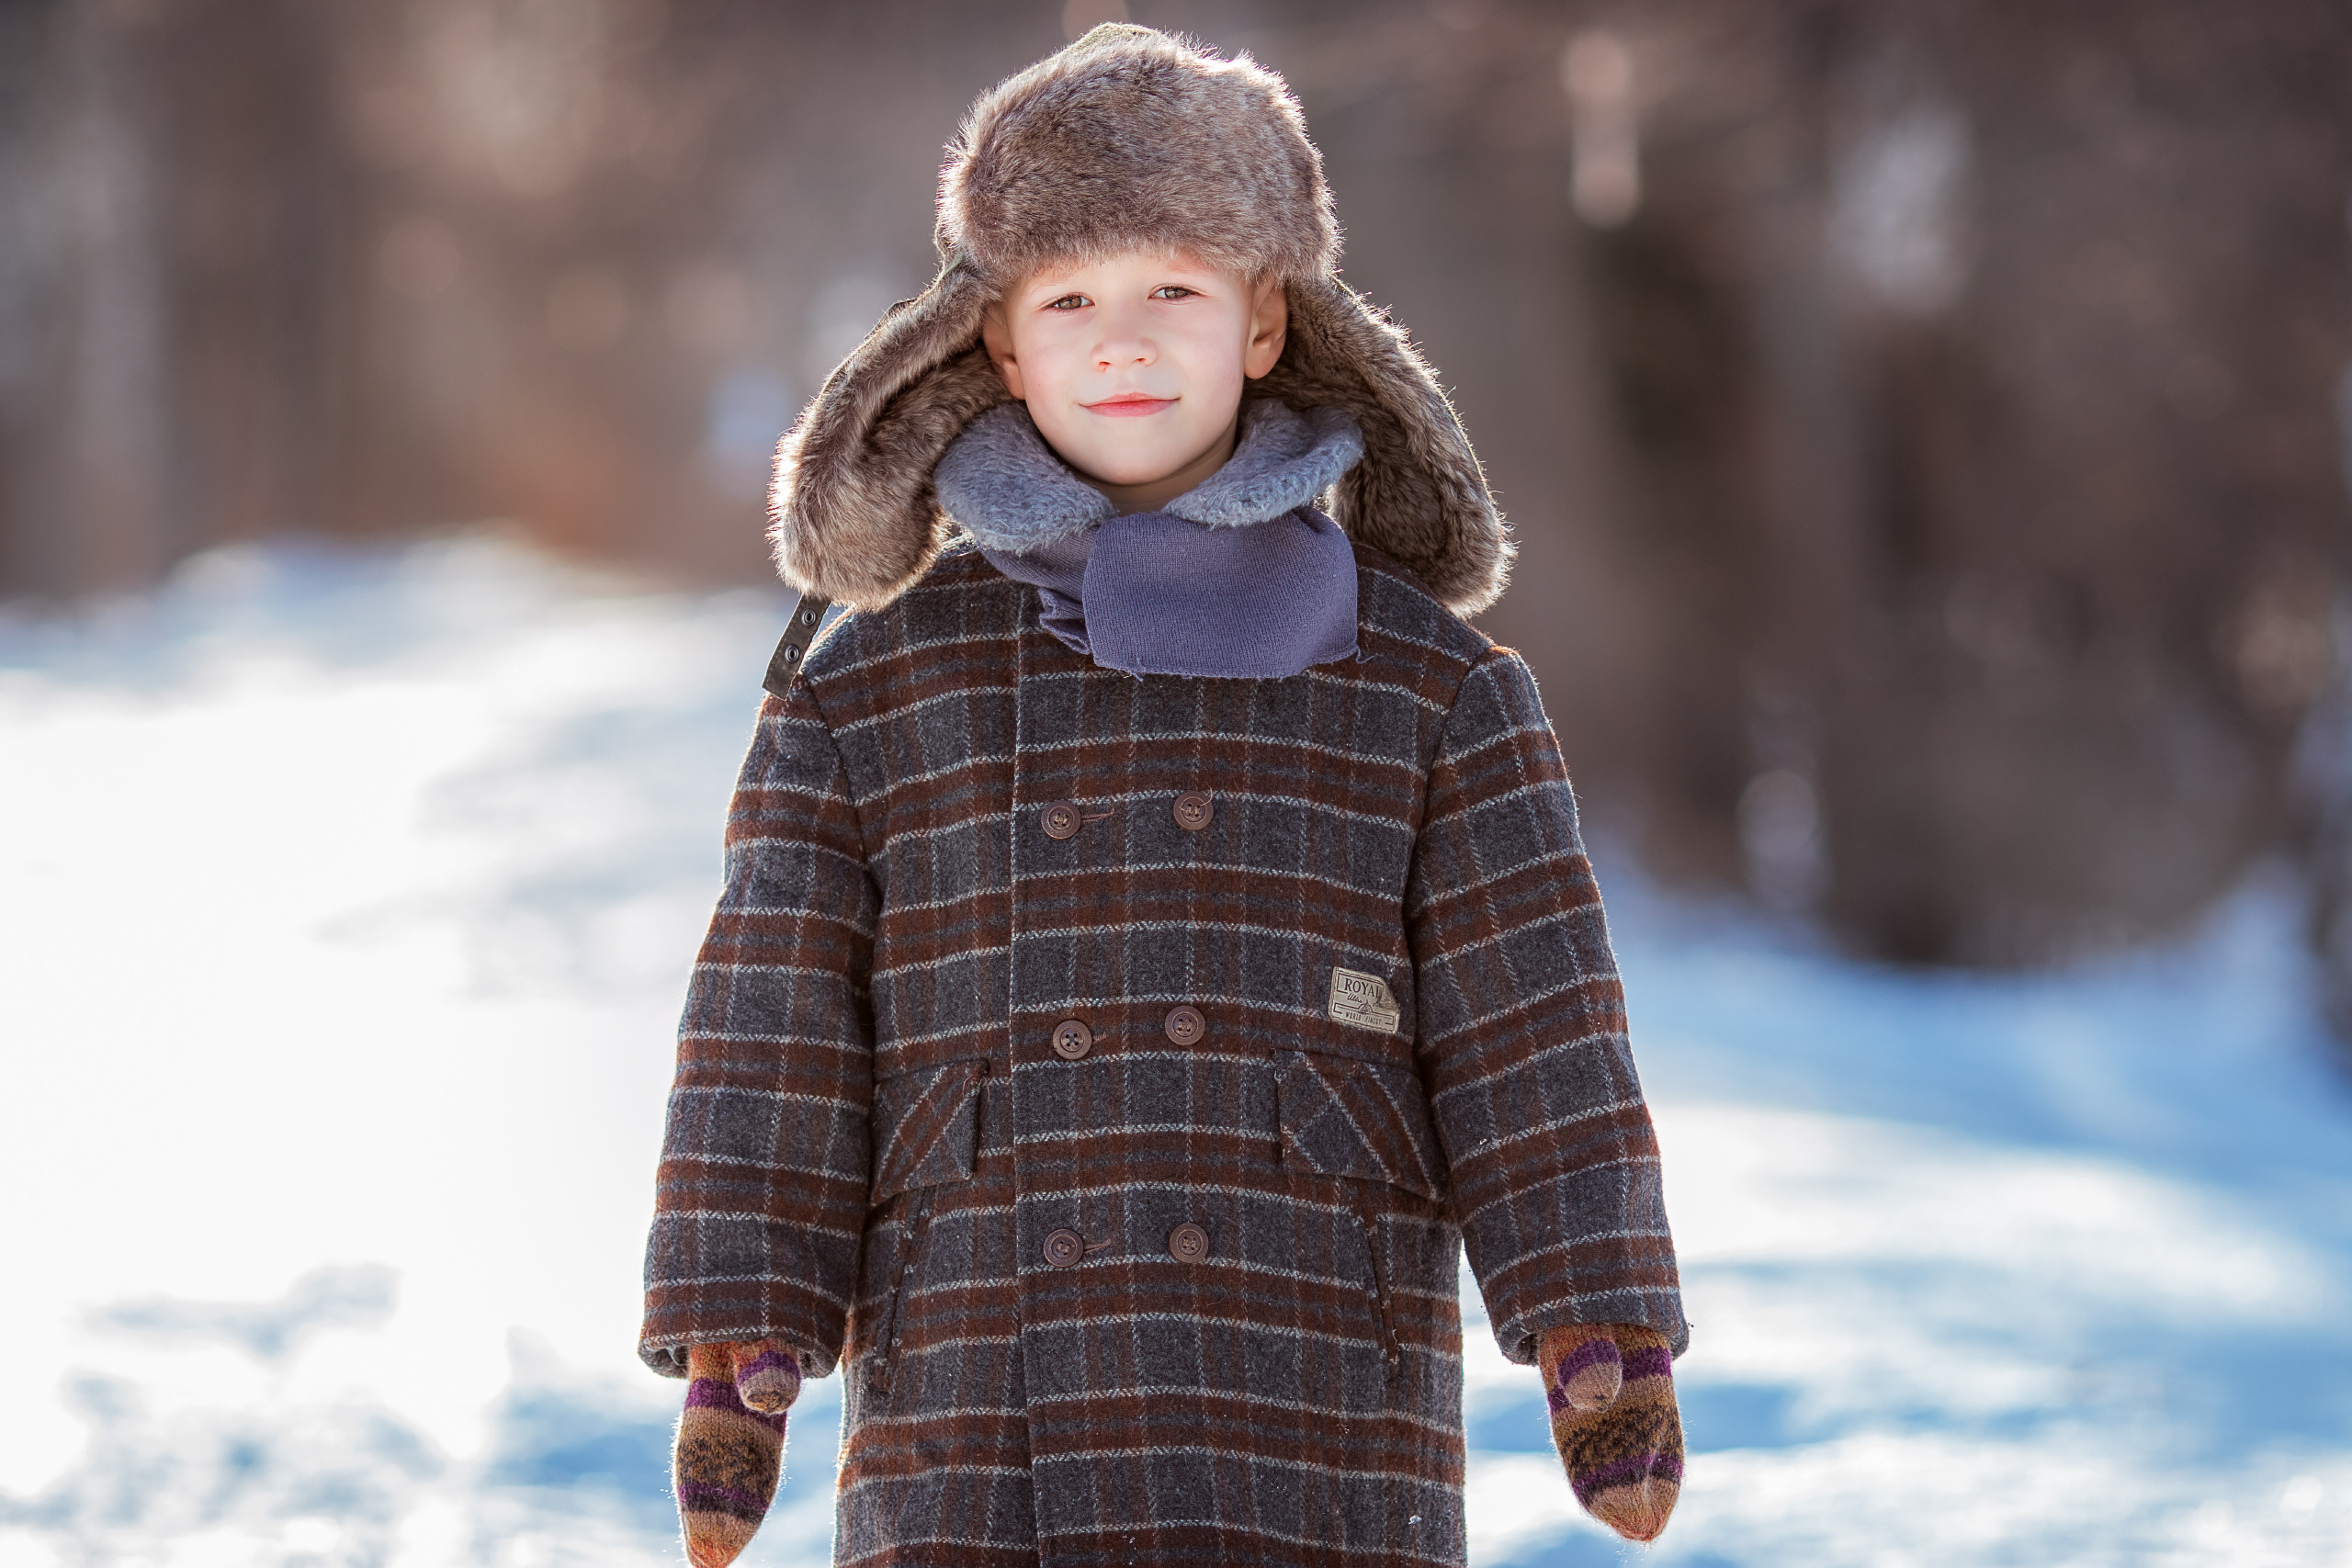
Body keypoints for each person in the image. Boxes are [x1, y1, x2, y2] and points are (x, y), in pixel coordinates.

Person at [641, 24, 1688, 1568]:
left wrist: (1600, 1323)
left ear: (1266, 320)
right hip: (982, 1381)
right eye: (1069, 299)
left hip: (1310, 1369)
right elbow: (774, 1017)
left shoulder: (1427, 687)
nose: (1120, 341)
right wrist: (743, 1328)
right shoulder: (873, 684)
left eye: (1174, 291)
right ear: (997, 343)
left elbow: (1534, 1027)